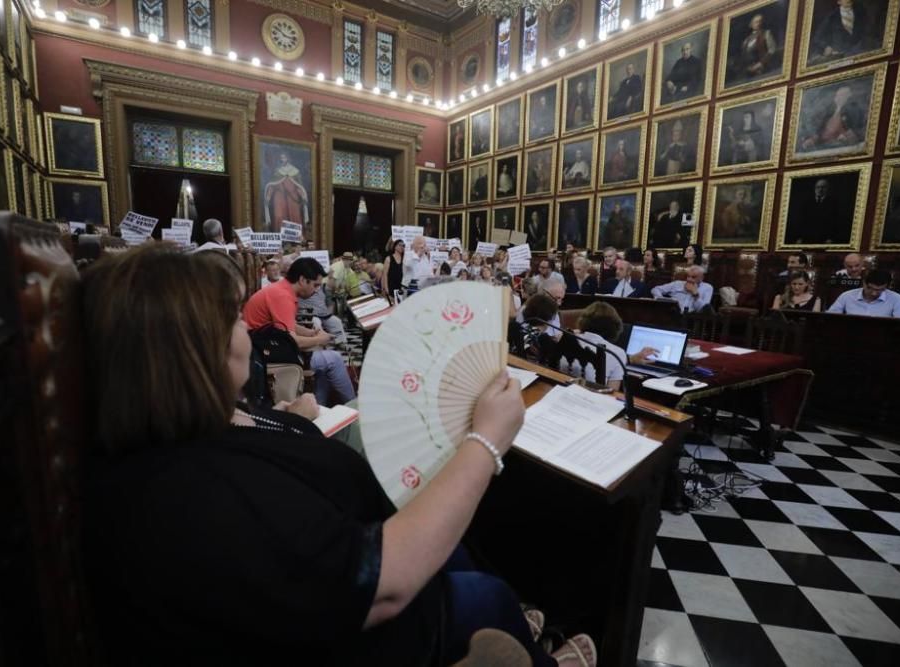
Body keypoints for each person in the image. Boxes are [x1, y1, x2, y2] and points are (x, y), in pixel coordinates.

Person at [79, 246, 595, 667]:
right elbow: (381, 586)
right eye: (234, 320)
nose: (247, 332)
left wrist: (289, 418)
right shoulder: (190, 495)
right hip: (363, 625)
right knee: (485, 596)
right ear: (188, 351)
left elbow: (258, 458)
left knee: (464, 559)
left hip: (356, 532)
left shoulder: (201, 421)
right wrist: (486, 441)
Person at [244, 258, 357, 405]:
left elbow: (285, 324)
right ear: (303, 280)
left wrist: (310, 334)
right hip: (265, 355)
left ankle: (318, 407)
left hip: (263, 347)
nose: (317, 290)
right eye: (315, 285)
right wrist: (319, 339)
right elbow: (292, 341)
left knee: (324, 363)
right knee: (334, 358)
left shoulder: (281, 289)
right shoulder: (282, 296)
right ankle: (354, 407)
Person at [562, 302, 629, 390]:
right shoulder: (617, 353)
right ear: (614, 326)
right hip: (592, 399)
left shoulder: (566, 339)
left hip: (560, 391)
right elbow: (612, 391)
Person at [799, 85, 864, 152]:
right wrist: (812, 139)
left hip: (840, 147)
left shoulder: (854, 110)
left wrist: (847, 136)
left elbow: (857, 130)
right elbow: (820, 131)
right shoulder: (829, 113)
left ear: (849, 97)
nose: (839, 97)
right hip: (824, 146)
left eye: (843, 95)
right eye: (838, 95)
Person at [827, 269, 900, 318]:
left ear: (886, 287)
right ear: (864, 283)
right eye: (870, 288)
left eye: (880, 290)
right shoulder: (847, 296)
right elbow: (830, 318)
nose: (874, 293)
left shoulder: (896, 299)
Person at [264, 151, 309, 233]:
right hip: (279, 196)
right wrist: (268, 196)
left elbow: (299, 186)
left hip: (292, 197)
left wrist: (303, 196)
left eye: (284, 157)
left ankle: (296, 237)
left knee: (295, 216)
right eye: (281, 158)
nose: (282, 159)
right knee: (279, 216)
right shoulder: (277, 171)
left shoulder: (295, 171)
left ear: (288, 158)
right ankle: (280, 236)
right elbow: (272, 185)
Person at [791, 178, 842, 244]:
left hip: (825, 239)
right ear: (815, 188)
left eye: (823, 187)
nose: (820, 189)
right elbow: (801, 221)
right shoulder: (807, 203)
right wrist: (799, 237)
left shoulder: (833, 203)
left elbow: (835, 222)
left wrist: (831, 238)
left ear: (828, 189)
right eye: (818, 187)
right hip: (807, 238)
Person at [735, 13, 778, 81]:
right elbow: (743, 55)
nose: (758, 23)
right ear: (751, 24)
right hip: (749, 71)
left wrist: (760, 64)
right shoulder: (746, 40)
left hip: (763, 69)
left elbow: (772, 50)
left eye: (760, 21)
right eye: (756, 22)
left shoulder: (766, 33)